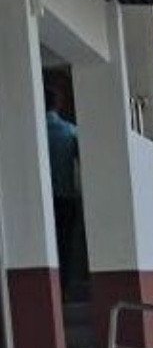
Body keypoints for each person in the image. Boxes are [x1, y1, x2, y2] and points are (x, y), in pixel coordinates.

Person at [44, 86, 83, 293]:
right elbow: (84, 160)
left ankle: (49, 289)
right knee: (64, 244)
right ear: (58, 104)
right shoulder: (69, 130)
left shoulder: (33, 131)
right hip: (65, 196)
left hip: (40, 200)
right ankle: (63, 288)